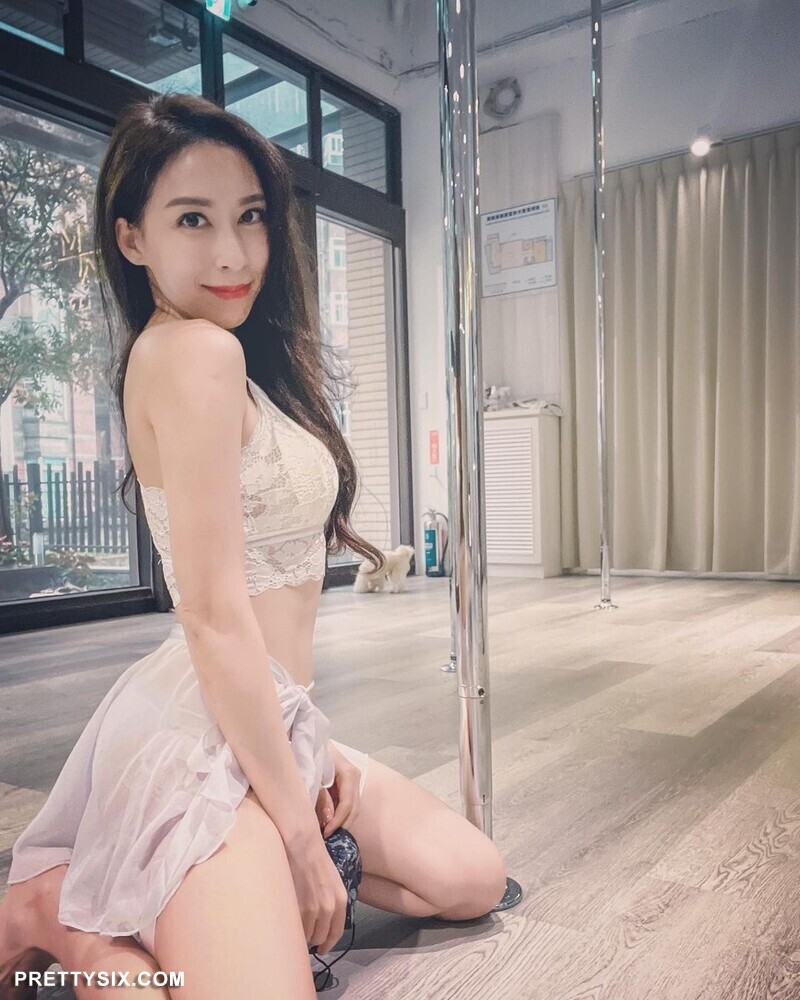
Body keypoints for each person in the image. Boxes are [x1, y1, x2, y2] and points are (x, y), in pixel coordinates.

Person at [0, 92, 507, 1000]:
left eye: (251, 216)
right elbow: (213, 616)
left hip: (267, 721)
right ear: (132, 238)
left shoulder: (226, 354)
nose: (234, 254)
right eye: (193, 220)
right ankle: (64, 915)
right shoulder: (192, 355)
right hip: (201, 742)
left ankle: (203, 891)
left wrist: (306, 751)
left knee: (470, 879)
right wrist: (302, 838)